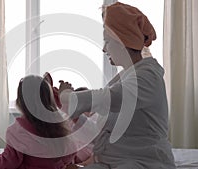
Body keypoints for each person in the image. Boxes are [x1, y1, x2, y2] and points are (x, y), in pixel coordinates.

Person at [58, 2, 176, 169]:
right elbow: (101, 131)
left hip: (143, 164)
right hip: (116, 162)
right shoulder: (125, 78)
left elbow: (112, 98)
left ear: (123, 42)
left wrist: (68, 97)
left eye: (107, 41)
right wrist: (71, 111)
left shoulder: (148, 77)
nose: (104, 49)